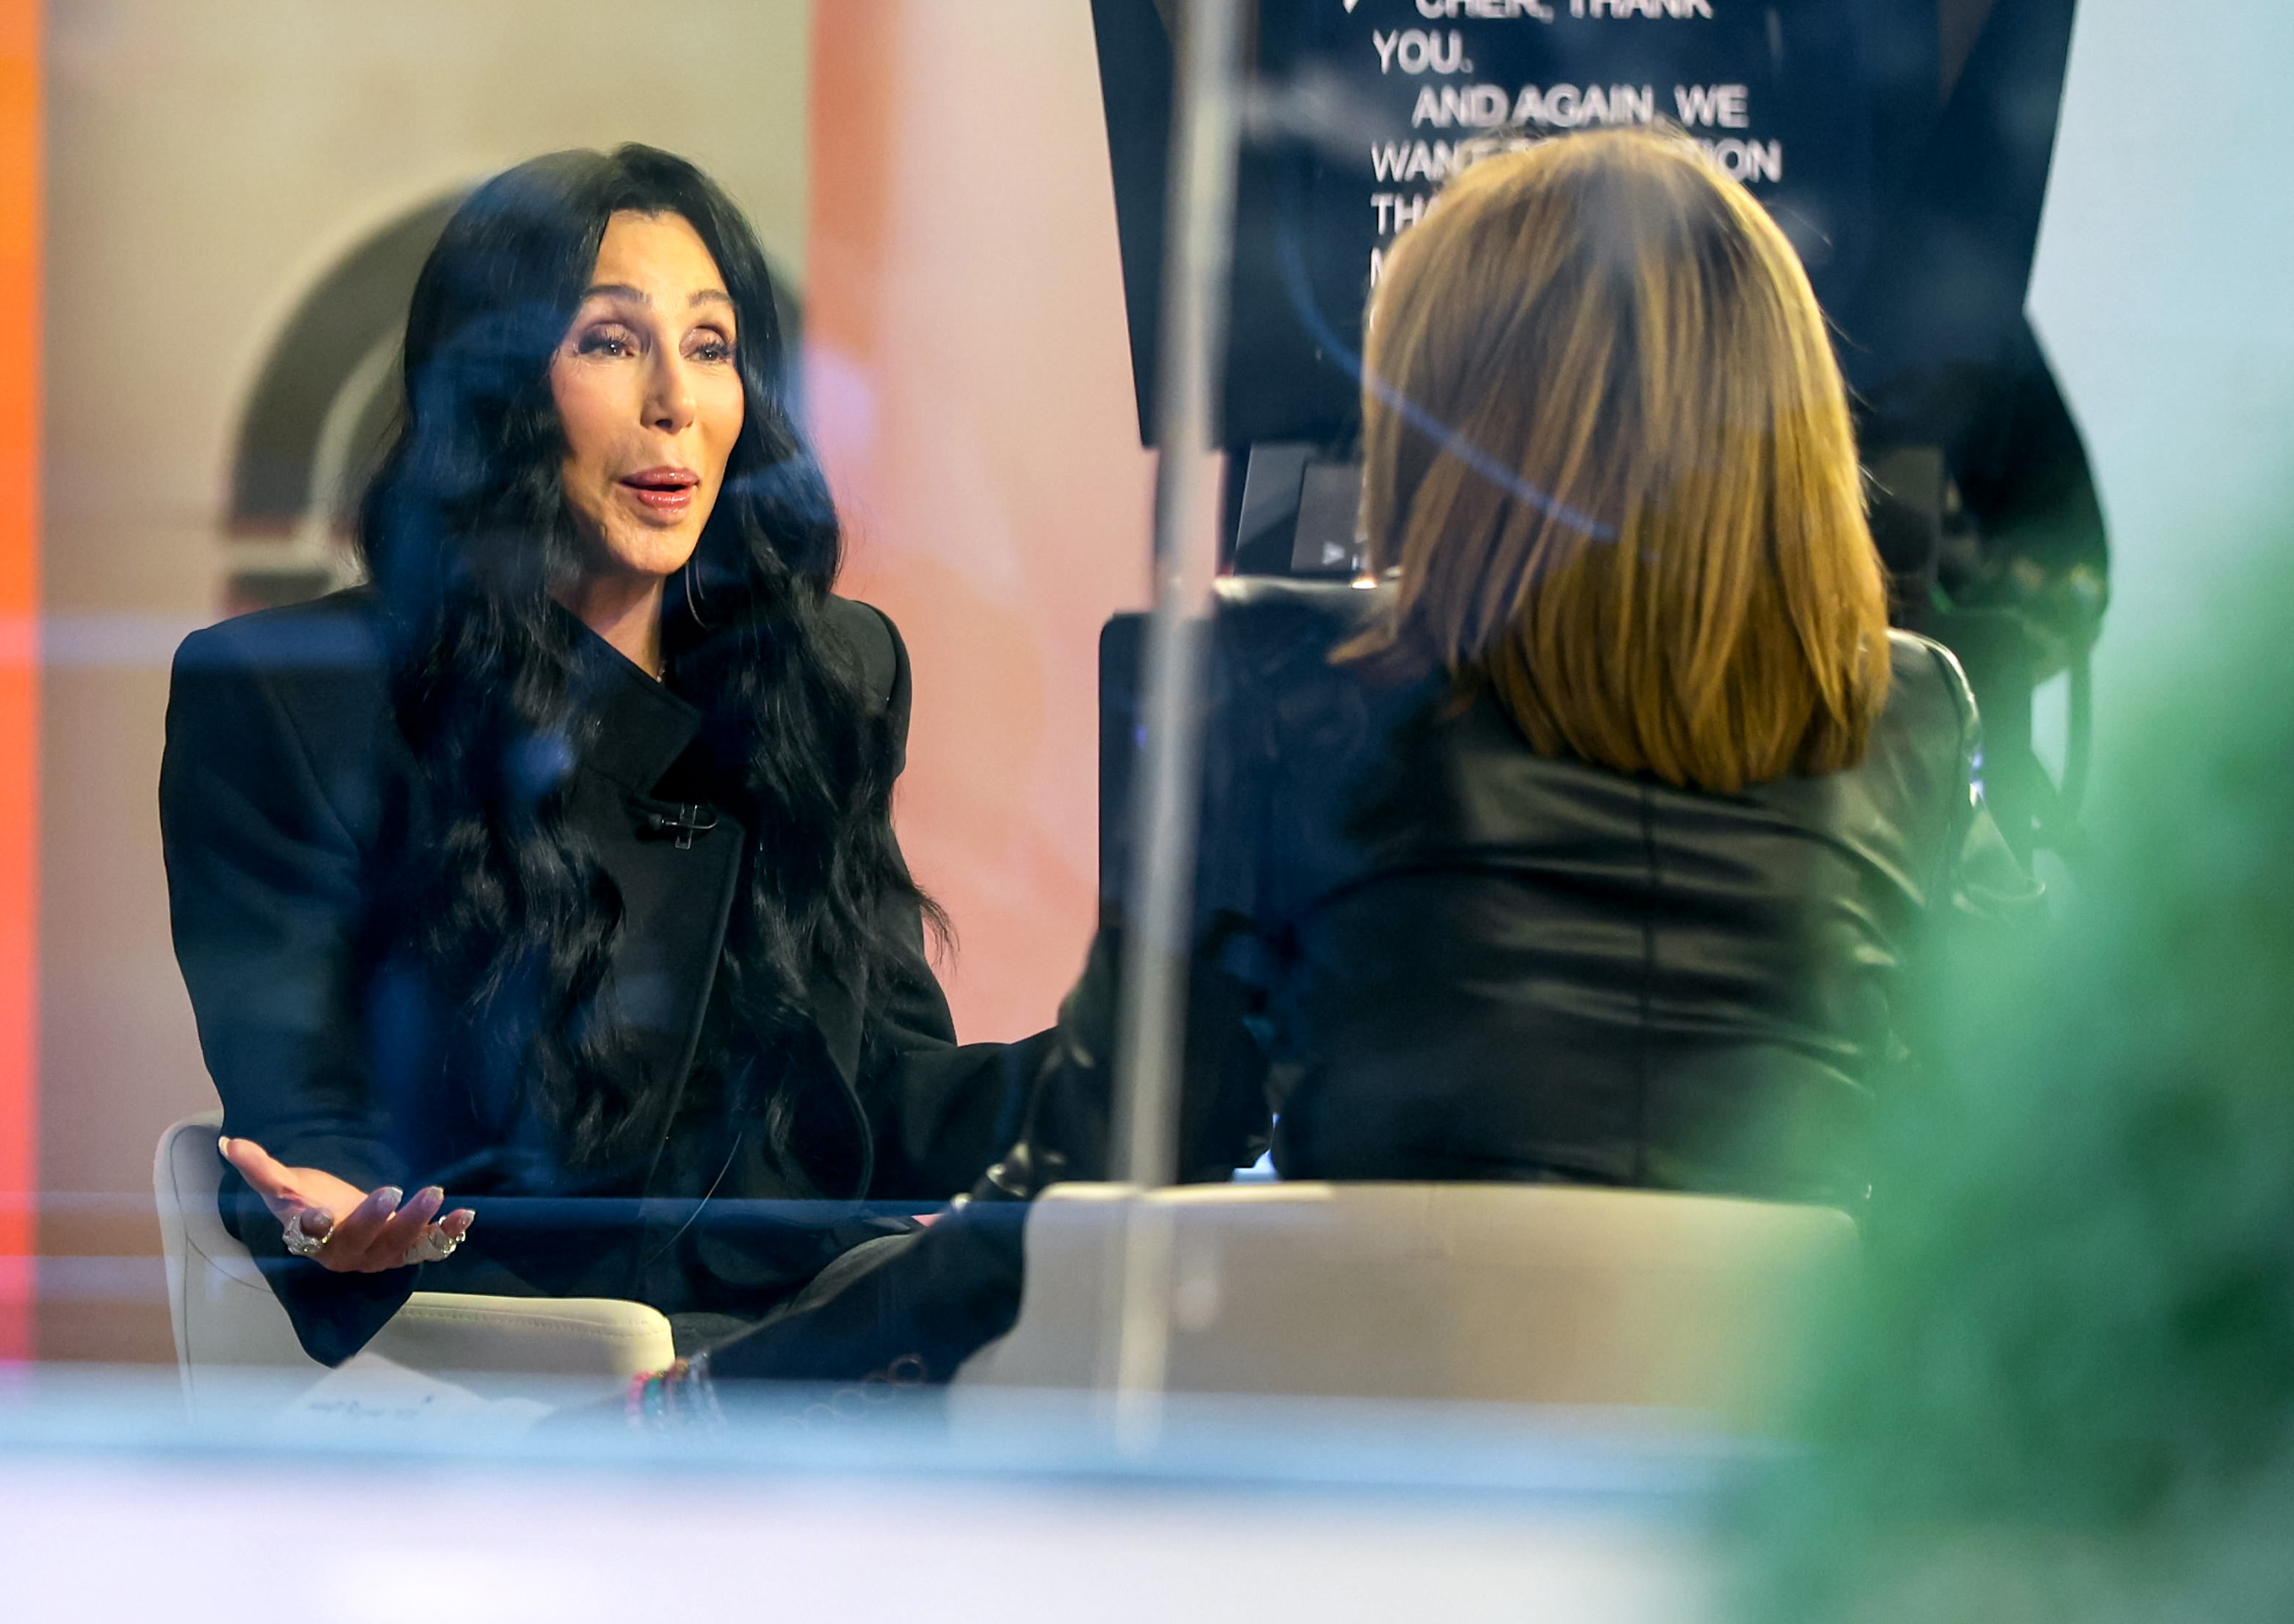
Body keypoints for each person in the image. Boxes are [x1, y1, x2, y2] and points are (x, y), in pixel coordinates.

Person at [676, 124, 2040, 1398]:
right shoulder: (1910, 708)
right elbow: (1992, 1145)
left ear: (1453, 416)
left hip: (1379, 1450)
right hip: (1773, 1460)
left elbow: (1097, 1174)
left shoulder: (1284, 679)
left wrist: (717, 1394)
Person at [160, 145, 1044, 1365]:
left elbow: (878, 1091)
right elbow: (306, 1104)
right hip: (514, 1363)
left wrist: (1117, 1084)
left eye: (712, 344)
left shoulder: (824, 673)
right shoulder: (292, 697)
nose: (675, 399)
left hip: (800, 1355)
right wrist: (335, 1214)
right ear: (498, 391)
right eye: (611, 341)